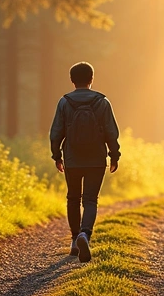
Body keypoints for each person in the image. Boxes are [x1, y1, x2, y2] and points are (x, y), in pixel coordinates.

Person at [49, 61, 120, 263]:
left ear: (72, 80)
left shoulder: (64, 102)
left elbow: (56, 133)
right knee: (90, 200)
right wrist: (114, 155)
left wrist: (57, 156)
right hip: (96, 159)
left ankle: (74, 240)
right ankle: (85, 235)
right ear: (92, 79)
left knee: (73, 198)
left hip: (72, 158)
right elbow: (111, 132)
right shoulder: (102, 102)